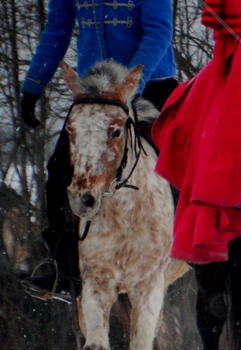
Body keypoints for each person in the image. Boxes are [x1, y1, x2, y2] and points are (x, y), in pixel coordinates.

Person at [20, 0, 177, 302]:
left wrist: (131, 85)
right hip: (94, 92)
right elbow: (58, 28)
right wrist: (33, 85)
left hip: (151, 83)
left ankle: (200, 240)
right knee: (61, 173)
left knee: (178, 161)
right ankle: (63, 265)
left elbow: (158, 31)